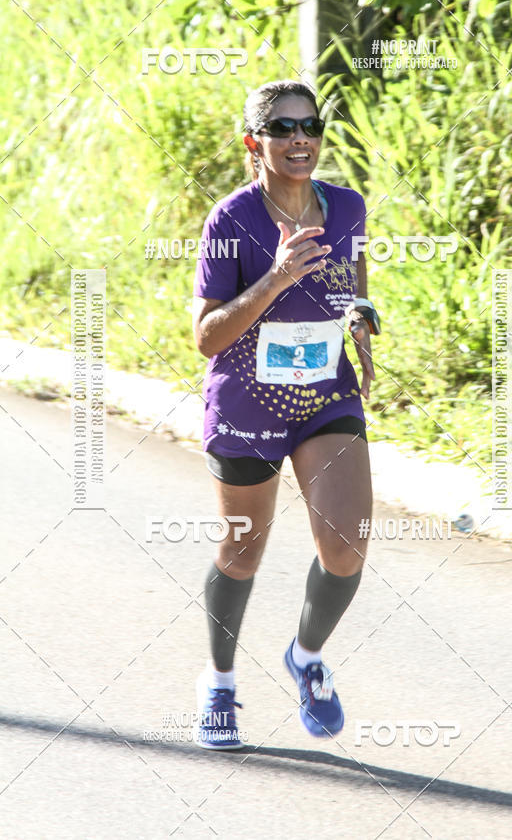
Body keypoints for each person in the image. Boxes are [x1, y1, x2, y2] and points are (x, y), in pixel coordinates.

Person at [192, 79, 379, 749]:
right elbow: (207, 335)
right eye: (281, 127)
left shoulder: (348, 207)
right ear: (254, 142)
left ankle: (305, 657)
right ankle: (218, 684)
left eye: (310, 124)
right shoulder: (230, 220)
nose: (300, 137)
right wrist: (273, 279)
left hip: (325, 396)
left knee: (348, 542)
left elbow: (354, 284)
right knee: (243, 550)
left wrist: (361, 321)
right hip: (246, 403)